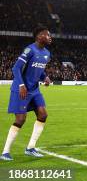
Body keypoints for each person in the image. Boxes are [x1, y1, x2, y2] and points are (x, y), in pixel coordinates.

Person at [1, 26, 52, 161]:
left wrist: (44, 77)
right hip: (21, 89)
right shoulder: (30, 50)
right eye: (47, 35)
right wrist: (21, 85)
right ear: (39, 36)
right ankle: (5, 152)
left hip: (35, 90)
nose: (50, 37)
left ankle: (30, 148)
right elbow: (16, 67)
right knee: (20, 119)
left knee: (43, 114)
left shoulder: (47, 53)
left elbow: (40, 71)